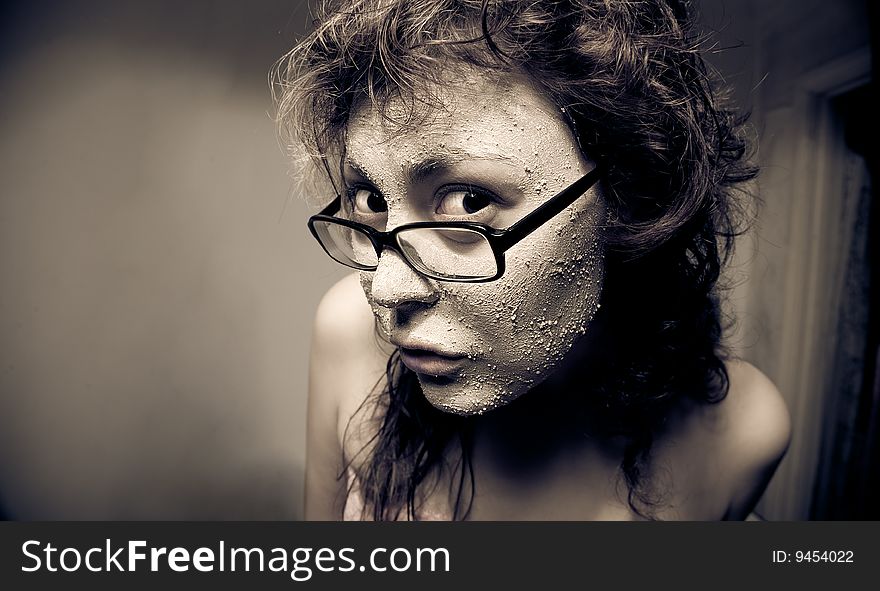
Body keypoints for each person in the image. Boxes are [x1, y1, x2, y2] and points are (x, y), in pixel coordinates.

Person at [274, 0, 791, 520]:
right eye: (372, 201)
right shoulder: (347, 334)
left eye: (468, 203)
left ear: (632, 194)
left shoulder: (743, 429)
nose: (386, 290)